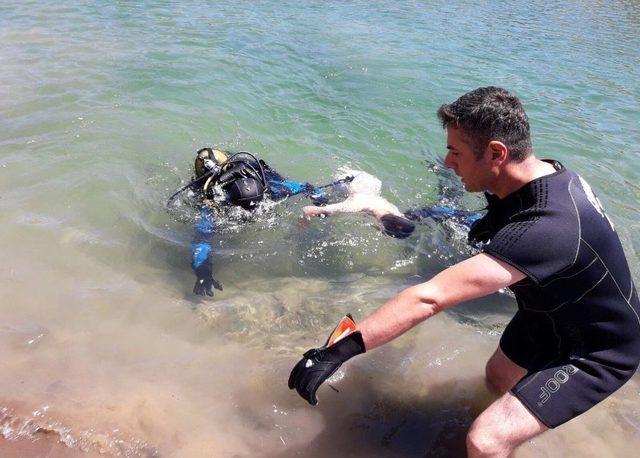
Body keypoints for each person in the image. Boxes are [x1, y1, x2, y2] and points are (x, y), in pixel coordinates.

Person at [288, 87, 640, 456]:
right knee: (497, 377)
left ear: (496, 153)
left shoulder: (548, 228)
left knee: (485, 440)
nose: (447, 162)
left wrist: (332, 353)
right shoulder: (546, 175)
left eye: (456, 152)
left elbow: (429, 297)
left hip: (599, 349)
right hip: (549, 311)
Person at [170, 147, 329, 296]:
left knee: (273, 176)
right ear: (234, 202)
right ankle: (207, 168)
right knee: (199, 195)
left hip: (254, 174)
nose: (253, 211)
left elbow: (304, 186)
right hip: (219, 180)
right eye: (246, 208)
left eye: (256, 206)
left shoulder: (274, 190)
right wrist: (203, 272)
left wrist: (319, 198)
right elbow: (201, 242)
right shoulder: (215, 205)